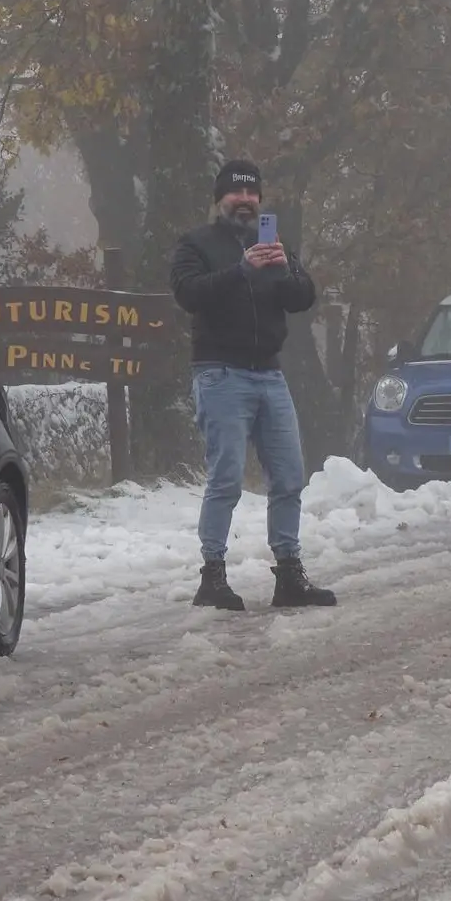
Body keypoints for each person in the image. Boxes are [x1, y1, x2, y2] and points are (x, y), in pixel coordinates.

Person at [168, 158, 336, 611]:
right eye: (235, 194)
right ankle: (213, 577)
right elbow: (189, 294)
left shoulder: (273, 243)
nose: (244, 201)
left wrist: (285, 269)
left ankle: (288, 575)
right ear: (219, 199)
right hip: (220, 372)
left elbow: (303, 299)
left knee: (289, 477)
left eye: (251, 194)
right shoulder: (196, 244)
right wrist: (241, 270)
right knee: (225, 477)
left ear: (260, 200)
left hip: (270, 372)